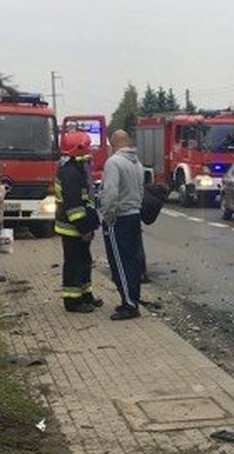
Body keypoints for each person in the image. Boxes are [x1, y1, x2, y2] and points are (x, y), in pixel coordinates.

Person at [54, 131, 102, 313]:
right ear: (78, 149)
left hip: (79, 226)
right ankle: (73, 301)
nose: (89, 149)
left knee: (84, 262)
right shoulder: (70, 173)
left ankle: (85, 294)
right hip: (73, 228)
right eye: (86, 146)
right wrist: (83, 228)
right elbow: (73, 205)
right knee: (74, 264)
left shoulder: (77, 168)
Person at [99, 130, 144, 321]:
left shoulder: (114, 162)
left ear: (113, 143)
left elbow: (110, 191)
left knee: (119, 262)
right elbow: (140, 189)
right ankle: (132, 298)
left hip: (119, 218)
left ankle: (129, 305)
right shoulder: (137, 163)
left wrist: (107, 214)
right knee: (133, 261)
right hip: (134, 214)